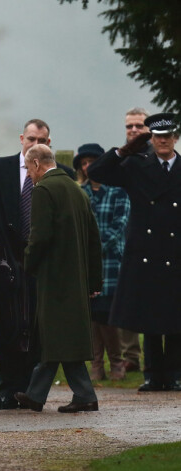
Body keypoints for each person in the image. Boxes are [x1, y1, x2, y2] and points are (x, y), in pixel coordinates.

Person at [0, 119, 75, 409]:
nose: (35, 144)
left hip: (45, 261)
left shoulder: (62, 174)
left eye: (41, 140)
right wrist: (2, 233)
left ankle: (32, 390)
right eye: (30, 138)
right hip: (8, 260)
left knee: (41, 323)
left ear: (49, 143)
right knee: (9, 323)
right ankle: (8, 388)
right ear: (21, 139)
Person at [88, 112, 181, 391]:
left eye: (168, 137)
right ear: (150, 139)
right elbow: (96, 172)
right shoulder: (136, 164)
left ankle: (175, 374)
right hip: (146, 251)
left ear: (175, 138)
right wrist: (122, 151)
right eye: (158, 137)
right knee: (151, 316)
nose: (163, 142)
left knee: (176, 317)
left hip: (176, 250)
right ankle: (152, 375)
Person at [14, 144, 102, 413]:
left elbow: (39, 237)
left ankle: (79, 395)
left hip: (54, 277)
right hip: (76, 277)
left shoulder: (44, 190)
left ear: (38, 164)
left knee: (56, 335)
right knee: (61, 336)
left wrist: (27, 264)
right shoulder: (77, 191)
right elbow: (93, 239)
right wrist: (94, 281)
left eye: (29, 169)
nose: (29, 176)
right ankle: (40, 395)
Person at [74, 143, 130, 381]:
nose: (88, 167)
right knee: (92, 313)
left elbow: (120, 224)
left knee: (108, 312)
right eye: (84, 163)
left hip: (111, 262)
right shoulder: (79, 192)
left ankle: (117, 363)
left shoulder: (118, 191)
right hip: (86, 262)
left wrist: (96, 247)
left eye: (92, 162)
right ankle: (96, 364)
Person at [119, 107, 151, 373]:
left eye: (139, 126)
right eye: (129, 126)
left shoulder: (159, 156)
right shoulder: (122, 159)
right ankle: (130, 355)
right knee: (128, 297)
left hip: (155, 240)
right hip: (125, 236)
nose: (133, 131)